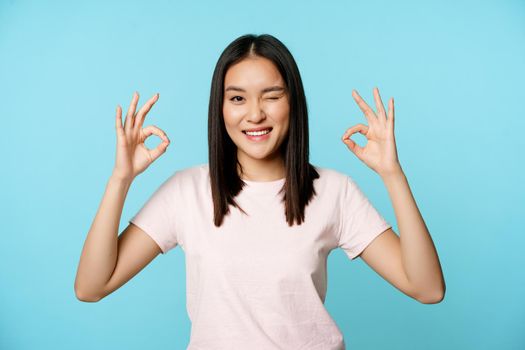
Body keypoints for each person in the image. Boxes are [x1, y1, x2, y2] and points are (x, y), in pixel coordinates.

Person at [74, 34, 445, 349]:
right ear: (219, 109)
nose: (254, 114)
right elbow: (91, 286)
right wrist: (120, 179)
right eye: (237, 98)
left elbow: (427, 288)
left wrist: (392, 174)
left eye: (271, 96)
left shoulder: (334, 191)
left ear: (292, 102)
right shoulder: (186, 191)